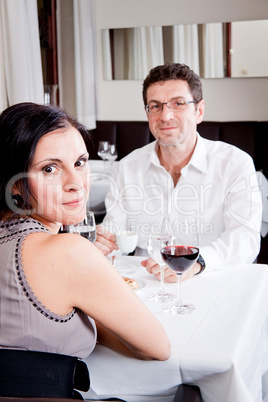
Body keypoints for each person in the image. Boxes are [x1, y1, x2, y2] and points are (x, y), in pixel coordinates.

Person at [0, 103, 170, 396]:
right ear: (15, 184)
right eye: (50, 168)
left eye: (80, 162)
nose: (76, 183)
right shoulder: (68, 253)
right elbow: (156, 348)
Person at [96, 62, 262, 282]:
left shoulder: (234, 163)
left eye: (178, 104)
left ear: (199, 111)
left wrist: (197, 263)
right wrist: (103, 242)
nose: (165, 116)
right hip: (147, 285)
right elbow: (116, 236)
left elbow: (245, 239)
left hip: (212, 280)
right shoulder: (127, 167)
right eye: (155, 106)